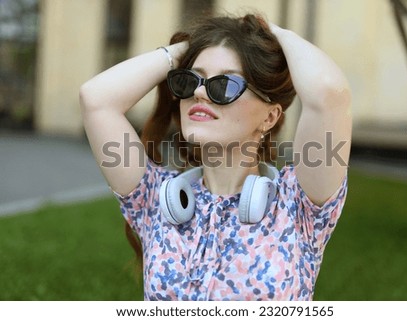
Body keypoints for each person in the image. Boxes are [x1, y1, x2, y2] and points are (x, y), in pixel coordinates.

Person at [79, 13, 352, 301]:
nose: (198, 92)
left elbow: (327, 91)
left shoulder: (298, 207)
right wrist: (188, 48)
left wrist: (272, 32)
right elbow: (96, 99)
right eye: (190, 80)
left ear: (270, 117)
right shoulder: (155, 200)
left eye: (224, 85)